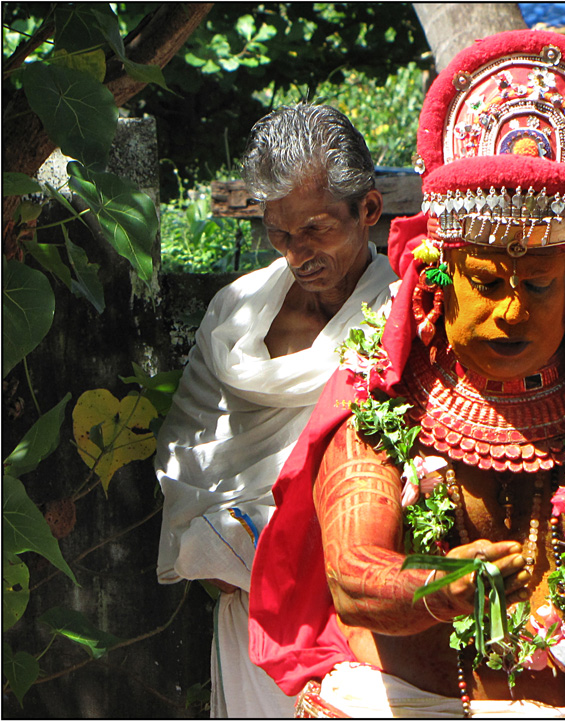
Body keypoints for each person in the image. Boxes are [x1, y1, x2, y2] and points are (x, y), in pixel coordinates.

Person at [248, 31, 565, 717]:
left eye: (536, 285)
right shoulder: (383, 387)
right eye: (486, 282)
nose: (510, 312)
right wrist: (435, 587)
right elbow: (352, 572)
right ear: (441, 282)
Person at [155, 103, 396, 718]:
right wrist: (213, 550)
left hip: (352, 621)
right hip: (245, 608)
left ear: (367, 211)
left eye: (317, 230)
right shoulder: (234, 308)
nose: (298, 254)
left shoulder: (402, 313)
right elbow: (184, 445)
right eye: (280, 234)